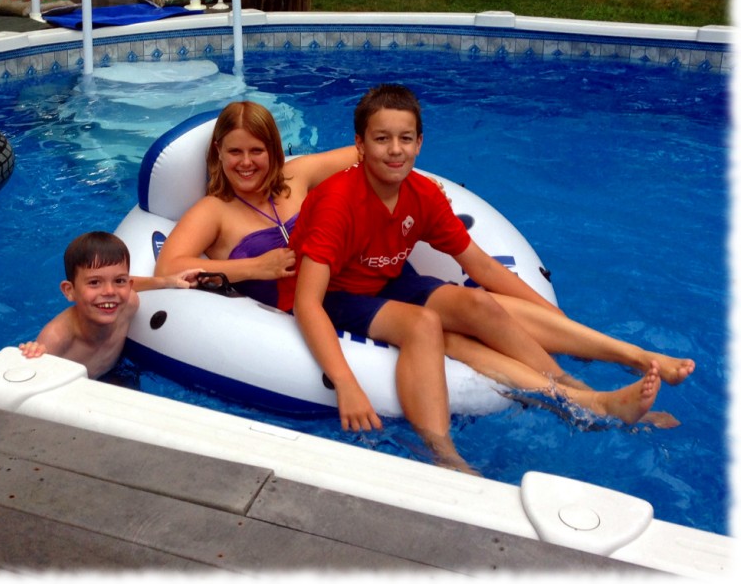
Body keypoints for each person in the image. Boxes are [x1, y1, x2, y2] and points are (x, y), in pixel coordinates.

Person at [156, 100, 694, 391]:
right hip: (314, 302)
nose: (247, 163)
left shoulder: (296, 178)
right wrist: (257, 264)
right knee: (451, 337)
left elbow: (364, 149)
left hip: (364, 276)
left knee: (485, 304)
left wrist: (394, 159)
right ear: (218, 158)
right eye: (234, 153)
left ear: (275, 152)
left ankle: (634, 356)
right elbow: (170, 268)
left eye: (258, 151)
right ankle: (574, 394)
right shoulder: (213, 212)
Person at [278, 85, 663, 461]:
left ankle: (580, 393)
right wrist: (345, 383)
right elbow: (307, 301)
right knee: (423, 324)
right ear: (360, 145)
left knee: (476, 302)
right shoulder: (337, 203)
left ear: (420, 143)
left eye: (405, 138)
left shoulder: (423, 194)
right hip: (336, 294)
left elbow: (480, 266)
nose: (395, 149)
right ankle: (443, 453)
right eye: (382, 139)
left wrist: (554, 320)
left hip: (386, 278)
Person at [19, 231, 203, 379]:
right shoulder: (57, 339)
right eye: (94, 283)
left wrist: (167, 281)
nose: (109, 291)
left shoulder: (129, 303)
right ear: (69, 290)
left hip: (115, 375)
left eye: (119, 281)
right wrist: (32, 354)